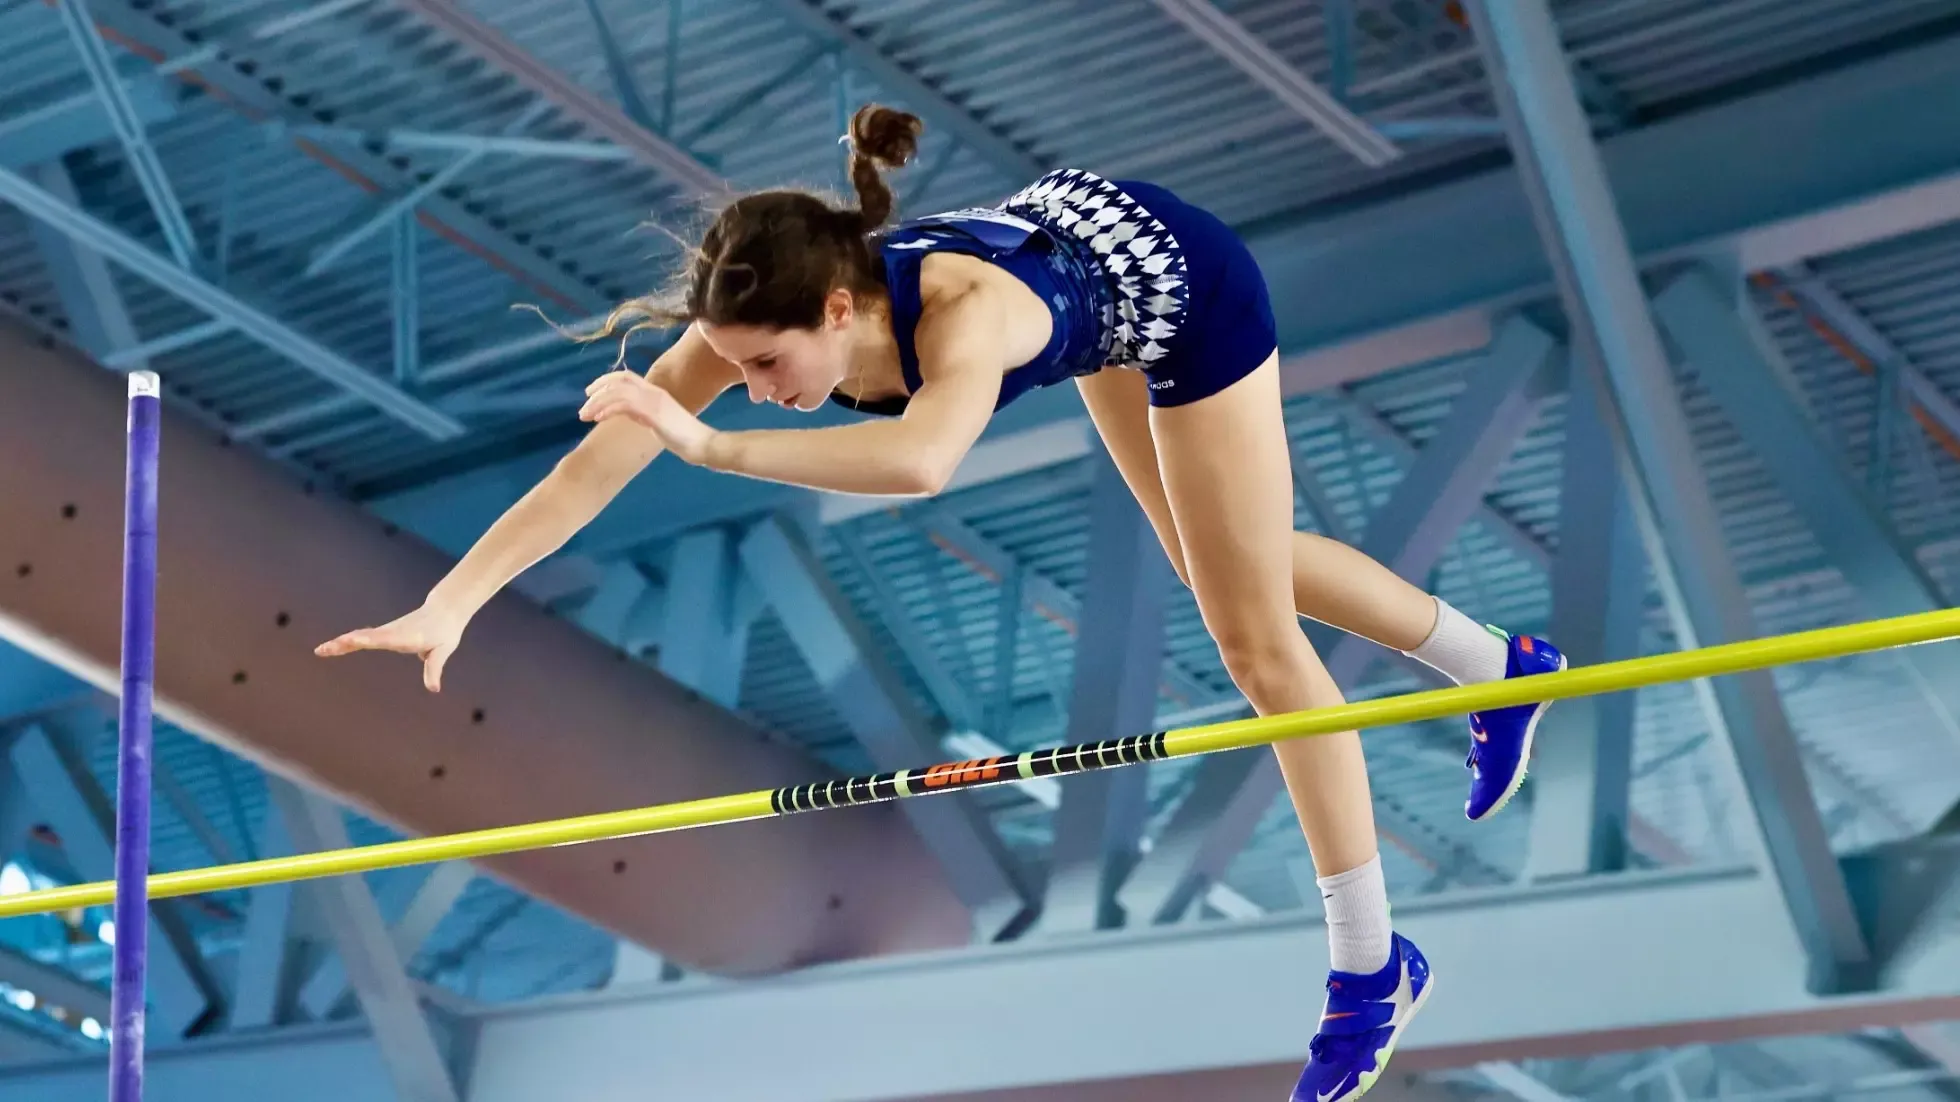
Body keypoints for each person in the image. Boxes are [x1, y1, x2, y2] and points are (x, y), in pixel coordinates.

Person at [316, 104, 1565, 1102]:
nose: (751, 386)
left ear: (843, 309)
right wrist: (456, 599)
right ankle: (1498, 663)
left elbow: (917, 464)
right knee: (1223, 561)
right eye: (737, 371)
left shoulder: (970, 318)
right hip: (1091, 262)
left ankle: (1369, 968)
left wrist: (707, 451)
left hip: (1183, 288)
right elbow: (599, 459)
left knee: (1254, 640)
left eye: (766, 367)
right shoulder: (764, 310)